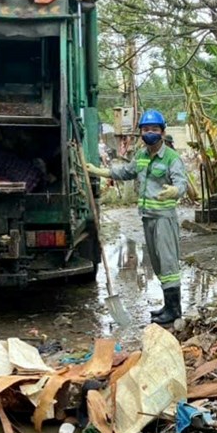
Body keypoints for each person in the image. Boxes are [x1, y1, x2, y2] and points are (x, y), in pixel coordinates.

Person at [86, 109, 187, 324]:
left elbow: (181, 183)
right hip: (148, 217)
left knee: (168, 263)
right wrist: (98, 171)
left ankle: (174, 309)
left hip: (164, 218)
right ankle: (167, 306)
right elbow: (125, 172)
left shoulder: (171, 157)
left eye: (154, 129)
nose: (150, 132)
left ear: (162, 132)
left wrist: (174, 191)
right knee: (158, 264)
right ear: (141, 131)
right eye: (146, 129)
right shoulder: (141, 156)